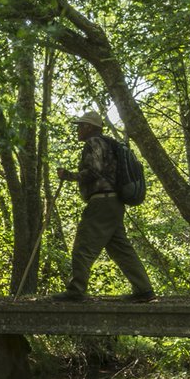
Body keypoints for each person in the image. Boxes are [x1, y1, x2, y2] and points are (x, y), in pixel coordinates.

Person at [52, 110, 156, 302]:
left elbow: (94, 171)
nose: (78, 130)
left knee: (83, 246)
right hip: (114, 203)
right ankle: (144, 290)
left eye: (80, 126)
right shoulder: (110, 144)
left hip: (102, 202)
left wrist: (68, 175)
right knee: (121, 249)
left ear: (89, 127)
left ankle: (76, 291)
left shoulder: (94, 142)